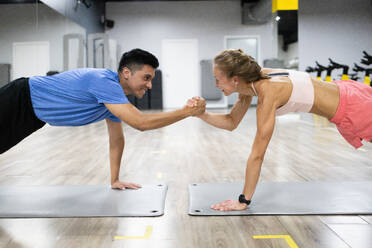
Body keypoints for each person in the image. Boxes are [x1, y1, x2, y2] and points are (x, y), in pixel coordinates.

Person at [0, 48, 206, 190]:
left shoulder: (115, 99)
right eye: (146, 78)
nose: (150, 85)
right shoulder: (103, 82)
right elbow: (140, 123)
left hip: (33, 116)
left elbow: (116, 140)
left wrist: (114, 179)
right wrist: (186, 112)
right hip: (20, 97)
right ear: (126, 72)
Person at [194, 48, 372, 211]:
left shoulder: (268, 93)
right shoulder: (253, 79)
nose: (216, 84)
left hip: (355, 109)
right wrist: (201, 114)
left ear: (235, 80)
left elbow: (257, 155)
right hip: (349, 91)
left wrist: (243, 201)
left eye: (217, 79)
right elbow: (232, 122)